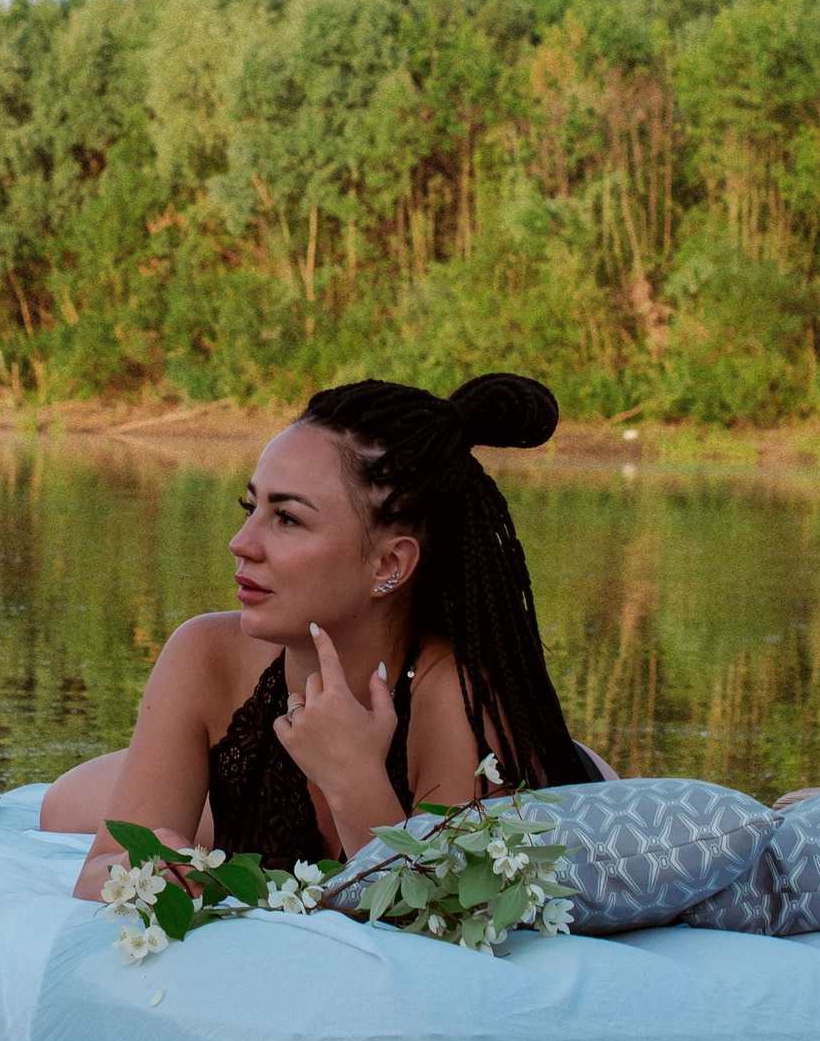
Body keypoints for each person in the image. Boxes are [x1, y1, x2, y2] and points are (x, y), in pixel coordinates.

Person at [43, 369, 604, 892]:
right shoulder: (203, 653)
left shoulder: (454, 699)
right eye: (251, 505)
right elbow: (99, 869)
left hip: (540, 773)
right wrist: (159, 866)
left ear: (389, 565)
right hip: (244, 767)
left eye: (287, 519)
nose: (241, 543)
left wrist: (354, 778)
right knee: (59, 808)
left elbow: (440, 912)